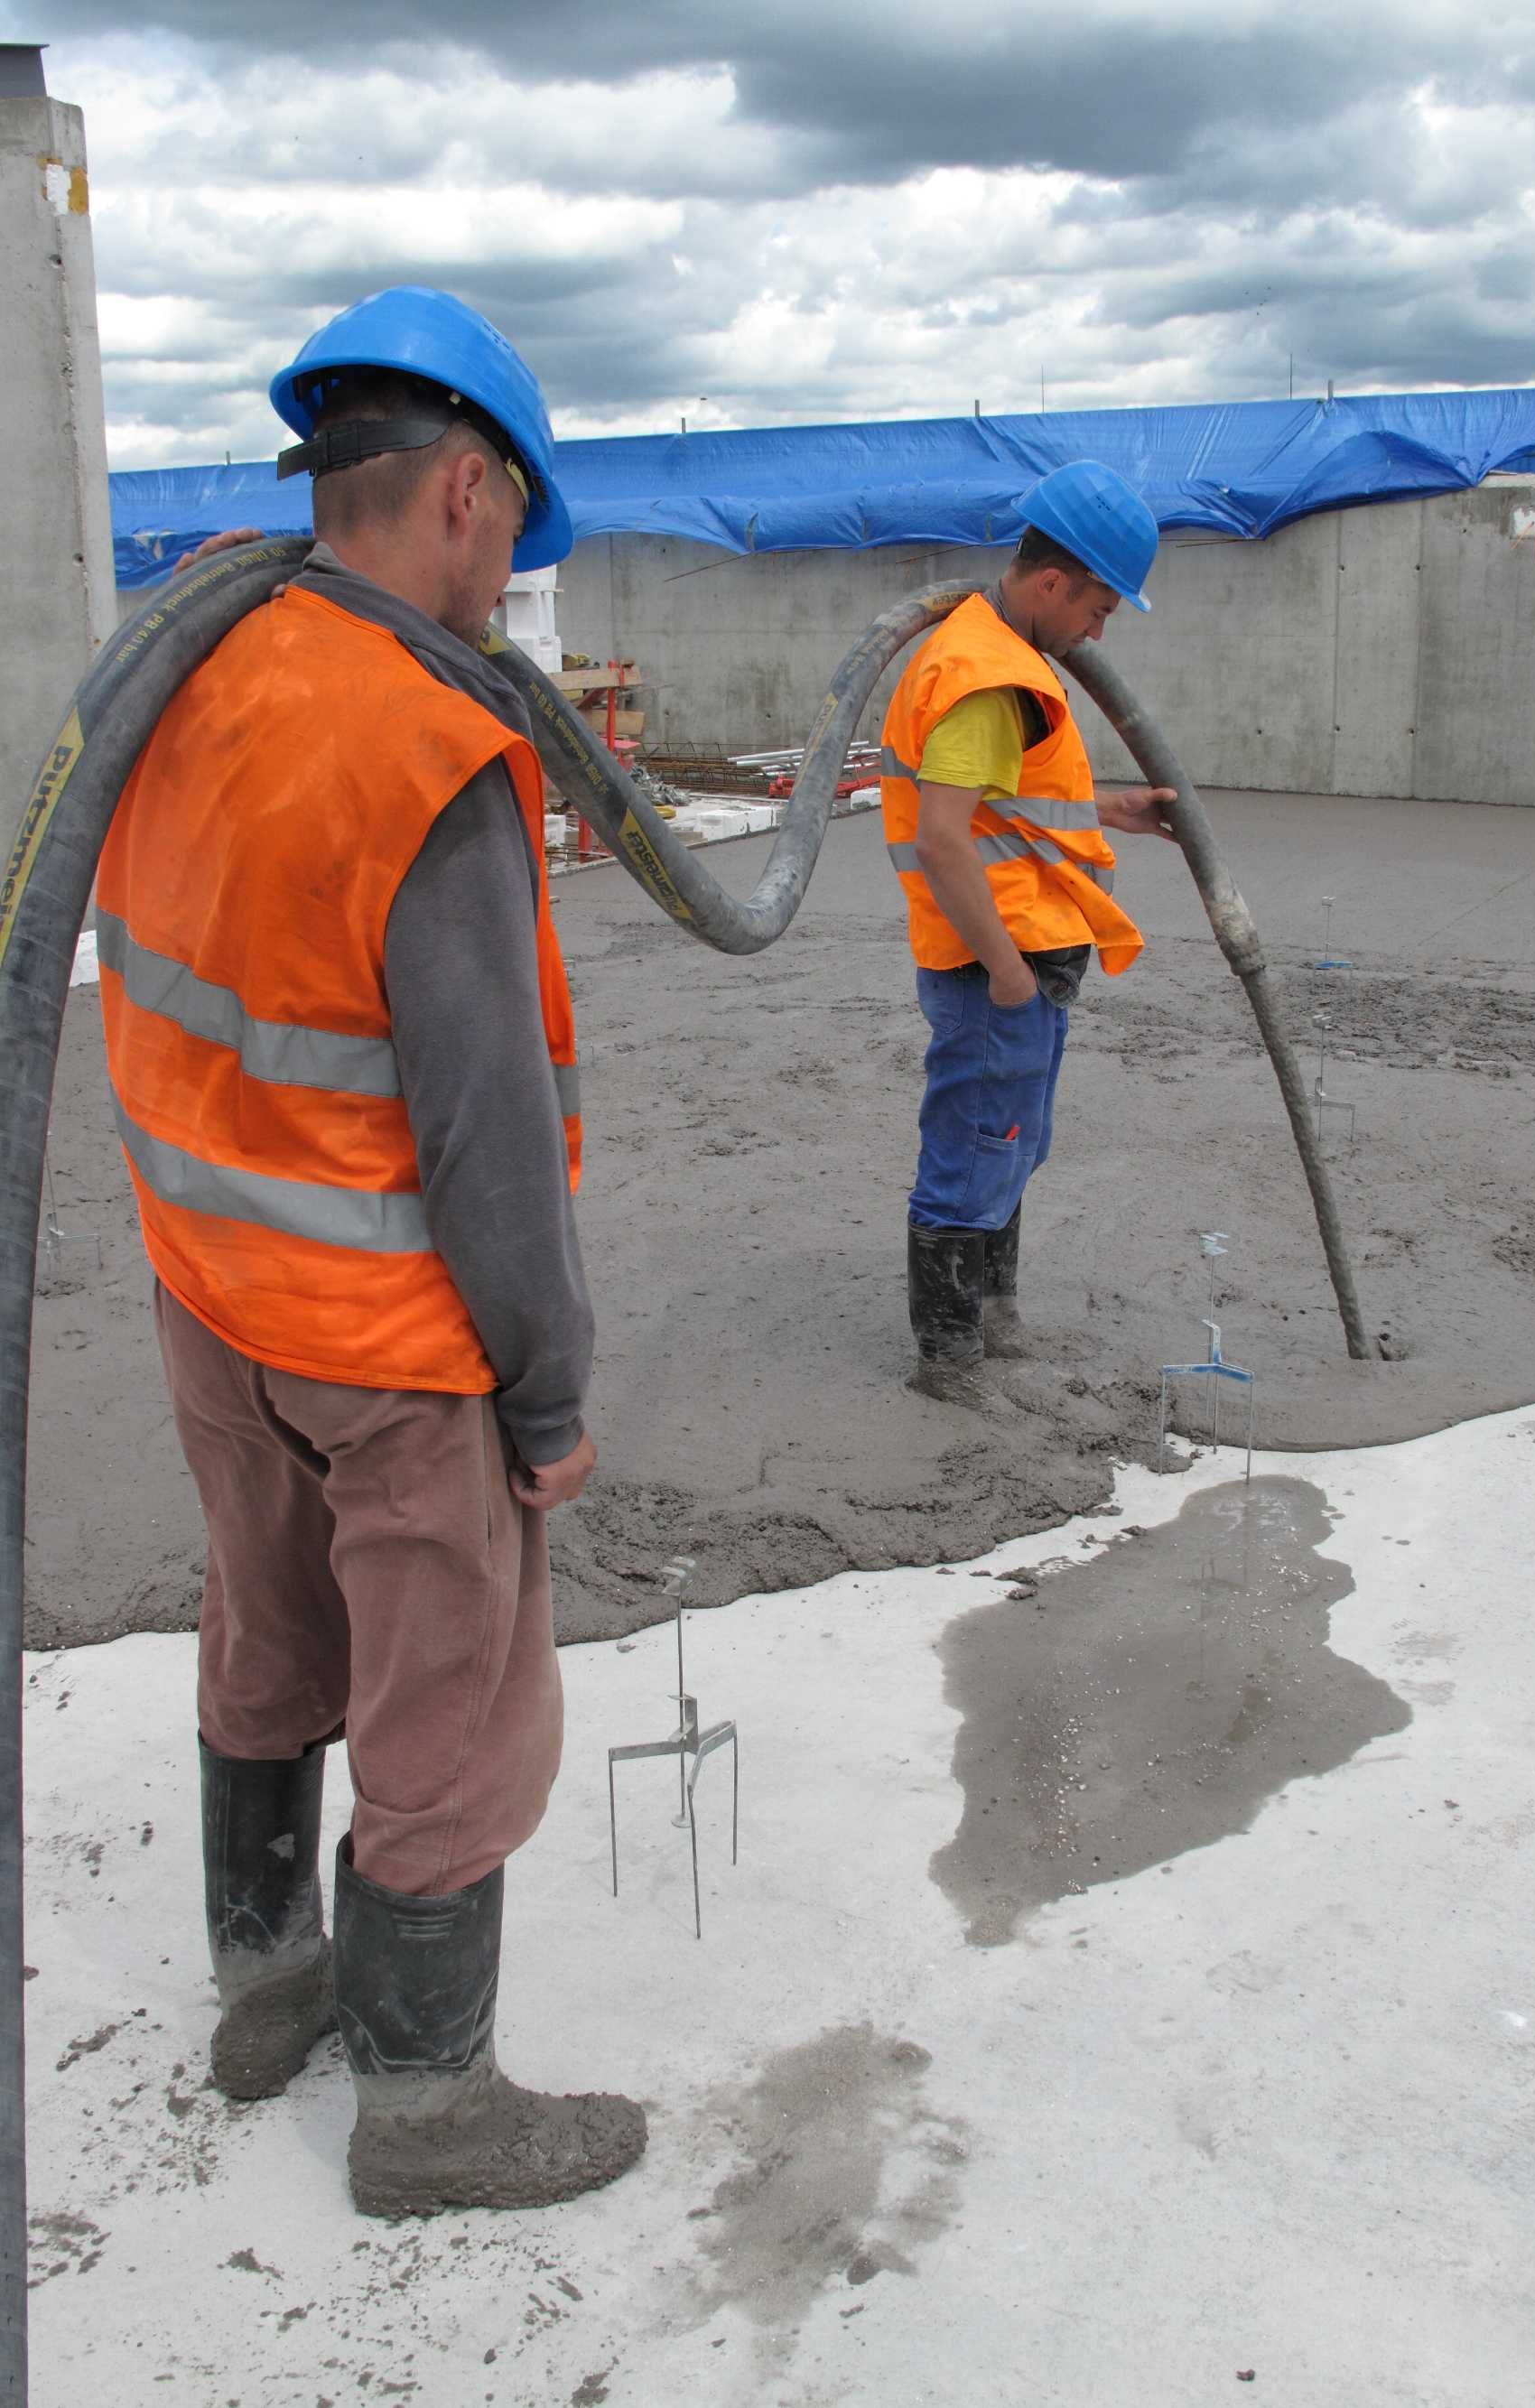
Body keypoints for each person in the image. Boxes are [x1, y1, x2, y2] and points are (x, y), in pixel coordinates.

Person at [96, 286, 645, 2217]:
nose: (510, 584)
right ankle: (428, 2112)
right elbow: (488, 1135)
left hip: (208, 1295)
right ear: (474, 494)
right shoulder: (423, 747)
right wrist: (549, 1393)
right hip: (391, 1343)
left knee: (264, 1634)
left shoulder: (183, 667)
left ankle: (266, 1985)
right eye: (517, 538)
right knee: (447, 1713)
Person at [879, 460, 1176, 1400]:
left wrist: (1108, 812)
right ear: (1052, 581)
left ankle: (992, 1316)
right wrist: (1007, 975)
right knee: (973, 1147)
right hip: (993, 958)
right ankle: (948, 1357)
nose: (1096, 629)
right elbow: (941, 839)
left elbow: (999, 813)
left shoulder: (1002, 659)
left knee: (1010, 1139)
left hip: (1022, 947)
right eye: (1097, 608)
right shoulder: (985, 677)